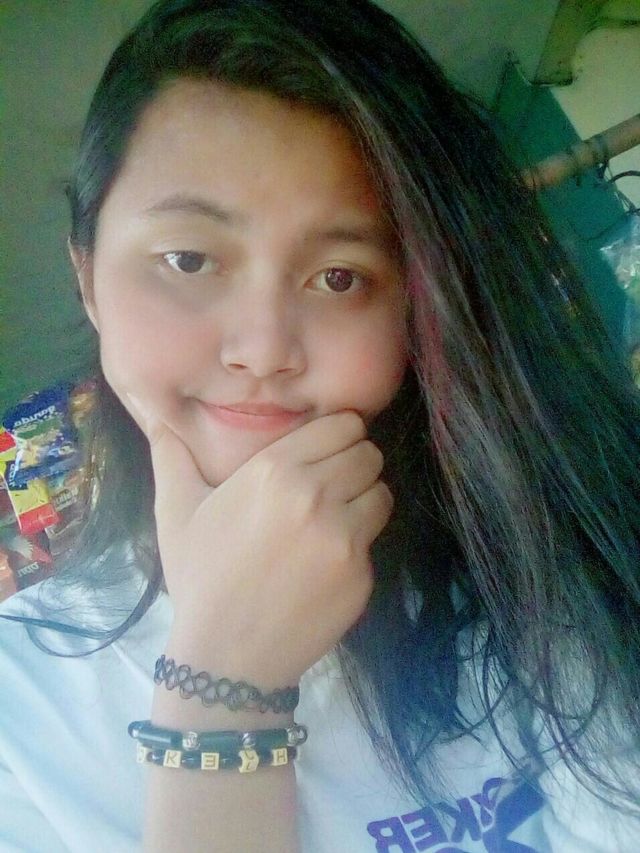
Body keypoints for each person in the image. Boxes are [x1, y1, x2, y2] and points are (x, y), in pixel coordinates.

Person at [1, 0, 639, 850]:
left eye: (340, 276)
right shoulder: (20, 716)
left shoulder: (542, 569)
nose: (264, 349)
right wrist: (222, 689)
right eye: (188, 259)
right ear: (87, 278)